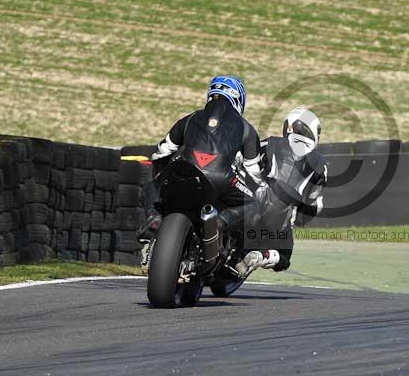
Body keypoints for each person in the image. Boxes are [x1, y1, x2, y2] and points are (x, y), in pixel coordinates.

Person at [140, 75, 263, 271]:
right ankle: (219, 224)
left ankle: (154, 220)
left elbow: (161, 152)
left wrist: (160, 177)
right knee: (253, 203)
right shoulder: (246, 128)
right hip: (221, 178)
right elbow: (254, 172)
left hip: (182, 170)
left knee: (149, 187)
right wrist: (261, 189)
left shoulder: (190, 118)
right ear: (238, 100)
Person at [234, 106, 327, 277]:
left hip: (253, 204)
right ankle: (263, 256)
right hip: (279, 221)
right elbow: (314, 204)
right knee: (285, 258)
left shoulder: (269, 142)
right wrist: (299, 219)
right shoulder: (321, 164)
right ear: (311, 130)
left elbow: (244, 160)